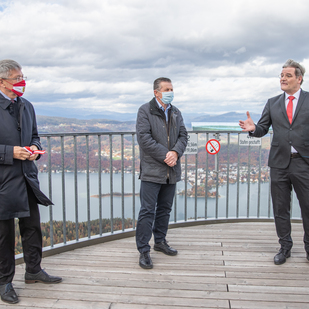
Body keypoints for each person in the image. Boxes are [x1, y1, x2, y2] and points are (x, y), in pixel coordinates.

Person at [0, 59, 62, 304]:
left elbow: (35, 136)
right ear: (2, 81)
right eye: (17, 78)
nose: (22, 81)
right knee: (4, 235)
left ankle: (33, 271)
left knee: (32, 227)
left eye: (22, 76)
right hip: (3, 181)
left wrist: (35, 148)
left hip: (27, 177)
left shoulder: (27, 106)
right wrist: (10, 153)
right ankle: (5, 282)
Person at [239, 59, 309, 265]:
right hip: (279, 164)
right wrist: (253, 128)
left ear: (299, 78)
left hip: (304, 163)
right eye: (281, 75)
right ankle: (284, 247)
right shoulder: (272, 103)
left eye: (288, 75)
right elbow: (262, 129)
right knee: (280, 208)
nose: (283, 79)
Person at [135, 77, 188, 269]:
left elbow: (183, 135)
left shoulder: (176, 112)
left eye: (172, 89)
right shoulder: (145, 111)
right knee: (147, 211)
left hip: (171, 170)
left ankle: (160, 241)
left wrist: (175, 152)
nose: (170, 92)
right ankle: (143, 250)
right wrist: (166, 155)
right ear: (156, 92)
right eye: (166, 89)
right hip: (152, 170)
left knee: (165, 209)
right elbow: (144, 138)